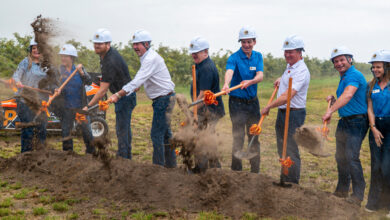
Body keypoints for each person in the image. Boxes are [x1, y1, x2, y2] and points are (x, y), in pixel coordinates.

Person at [109, 30, 176, 168]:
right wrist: (137, 85)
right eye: (134, 44)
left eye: (138, 44)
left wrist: (118, 94)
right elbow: (144, 78)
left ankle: (157, 168)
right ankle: (171, 166)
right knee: (165, 135)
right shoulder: (147, 57)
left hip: (163, 100)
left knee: (156, 135)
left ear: (146, 44)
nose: (135, 47)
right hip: (165, 98)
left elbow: (138, 79)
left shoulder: (150, 59)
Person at [322, 46, 368, 206]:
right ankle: (342, 191)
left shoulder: (354, 75)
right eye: (336, 61)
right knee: (340, 156)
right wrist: (334, 101)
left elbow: (348, 95)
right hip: (345, 121)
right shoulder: (344, 77)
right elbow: (345, 98)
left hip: (357, 122)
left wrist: (330, 111)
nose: (339, 63)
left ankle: (357, 195)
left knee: (351, 157)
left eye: (342, 59)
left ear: (350, 59)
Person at [260, 35, 310, 184]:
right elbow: (288, 78)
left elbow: (289, 94)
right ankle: (284, 177)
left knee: (291, 148)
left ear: (300, 52)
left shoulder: (302, 70)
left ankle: (292, 182)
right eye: (286, 51)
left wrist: (269, 106)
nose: (287, 55)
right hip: (283, 112)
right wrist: (280, 79)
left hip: (294, 113)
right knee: (282, 146)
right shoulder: (291, 66)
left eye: (291, 52)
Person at [84, 28, 136, 159]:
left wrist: (88, 106)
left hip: (125, 97)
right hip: (122, 96)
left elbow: (102, 91)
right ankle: (126, 156)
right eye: (95, 43)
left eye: (100, 44)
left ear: (108, 44)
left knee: (122, 129)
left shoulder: (110, 60)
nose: (96, 46)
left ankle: (123, 158)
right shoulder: (105, 56)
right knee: (123, 128)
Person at [222, 26, 264, 173]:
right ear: (240, 42)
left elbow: (260, 75)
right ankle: (236, 171)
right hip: (236, 103)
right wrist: (227, 83)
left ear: (254, 42)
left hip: (253, 103)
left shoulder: (258, 56)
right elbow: (229, 71)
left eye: (249, 42)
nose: (246, 45)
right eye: (244, 42)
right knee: (238, 136)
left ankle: (255, 171)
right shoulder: (234, 57)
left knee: (254, 135)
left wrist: (250, 82)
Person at [188, 36, 225, 173]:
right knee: (206, 137)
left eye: (196, 52)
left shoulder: (206, 68)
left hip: (210, 111)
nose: (194, 54)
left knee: (202, 138)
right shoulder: (200, 65)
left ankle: (201, 169)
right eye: (193, 52)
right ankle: (215, 168)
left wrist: (192, 112)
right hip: (205, 109)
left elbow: (203, 96)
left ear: (205, 51)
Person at [365, 50, 390, 214]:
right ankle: (373, 203)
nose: (375, 70)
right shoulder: (371, 85)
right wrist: (373, 128)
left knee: (387, 167)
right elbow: (370, 109)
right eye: (373, 67)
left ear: (387, 67)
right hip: (376, 126)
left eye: (378, 67)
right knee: (376, 166)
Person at [56, 44, 94, 154]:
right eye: (62, 56)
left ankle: (91, 153)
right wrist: (55, 89)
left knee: (87, 131)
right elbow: (52, 84)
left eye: (65, 56)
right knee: (66, 132)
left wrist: (81, 72)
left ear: (72, 58)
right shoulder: (59, 71)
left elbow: (89, 81)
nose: (63, 58)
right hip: (66, 107)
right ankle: (68, 154)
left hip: (81, 106)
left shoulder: (79, 69)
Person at [12, 39, 49, 153]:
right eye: (33, 48)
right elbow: (16, 75)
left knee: (41, 129)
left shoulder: (47, 65)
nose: (36, 50)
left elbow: (52, 80)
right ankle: (26, 156)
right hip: (25, 101)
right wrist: (17, 81)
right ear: (30, 50)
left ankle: (40, 155)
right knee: (27, 129)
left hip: (41, 102)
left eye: (38, 48)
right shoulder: (25, 62)